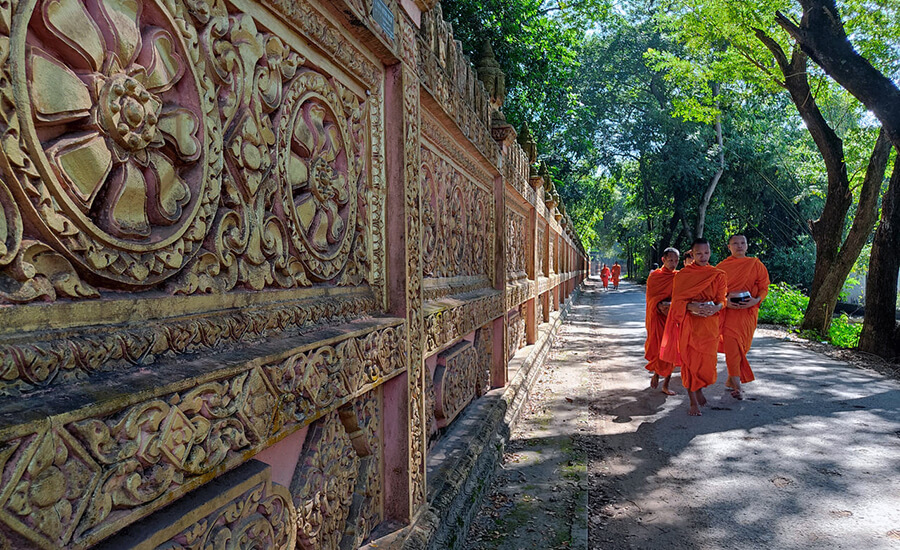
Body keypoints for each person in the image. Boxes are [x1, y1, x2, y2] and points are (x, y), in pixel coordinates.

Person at [659, 238, 726, 416]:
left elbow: (722, 301)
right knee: (690, 363)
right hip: (690, 325)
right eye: (698, 253)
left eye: (706, 253)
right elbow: (677, 302)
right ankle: (692, 400)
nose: (703, 256)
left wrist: (715, 307)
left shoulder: (718, 274)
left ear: (710, 252)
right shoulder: (683, 275)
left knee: (707, 365)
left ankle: (699, 389)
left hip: (710, 325)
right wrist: (690, 307)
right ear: (692, 254)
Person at [717, 234, 770, 399]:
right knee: (733, 347)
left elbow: (764, 287)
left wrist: (755, 300)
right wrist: (725, 301)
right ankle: (738, 387)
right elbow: (715, 291)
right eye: (735, 243)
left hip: (748, 312)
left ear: (747, 245)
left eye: (742, 243)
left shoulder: (755, 264)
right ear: (729, 247)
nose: (739, 246)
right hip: (730, 313)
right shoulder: (721, 268)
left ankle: (731, 380)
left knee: (743, 348)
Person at [645, 248, 679, 395]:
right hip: (658, 317)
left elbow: (683, 296)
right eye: (670, 260)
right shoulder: (655, 277)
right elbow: (651, 298)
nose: (673, 263)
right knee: (659, 348)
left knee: (672, 350)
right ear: (663, 260)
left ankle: (666, 384)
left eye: (676, 261)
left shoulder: (680, 276)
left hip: (673, 318)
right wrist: (659, 305)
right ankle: (657, 374)